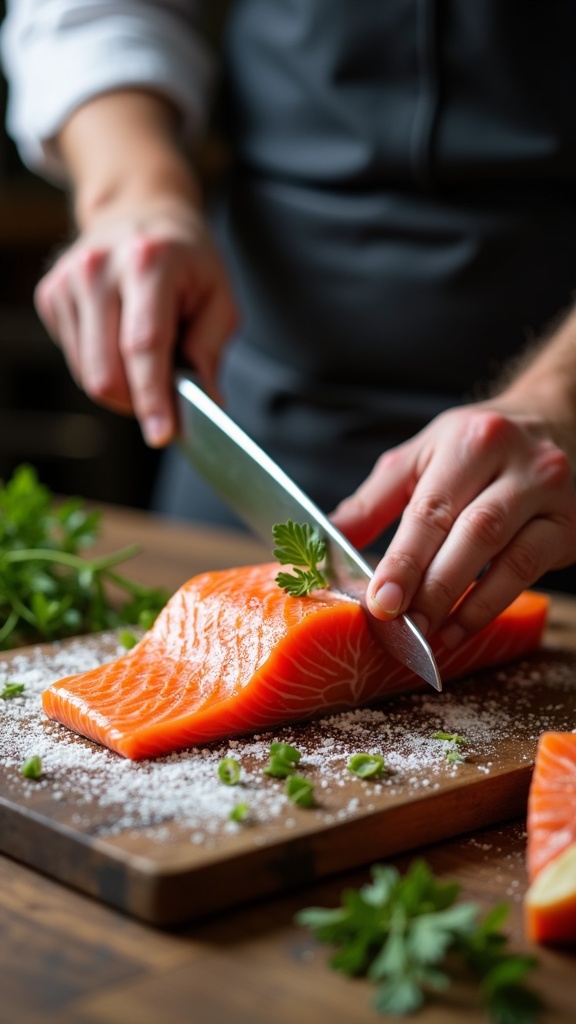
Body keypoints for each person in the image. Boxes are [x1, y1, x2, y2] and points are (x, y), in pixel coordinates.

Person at [2, 0, 576, 652]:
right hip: (260, 394)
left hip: (561, 458)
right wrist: (132, 193)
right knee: (204, 658)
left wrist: (561, 397)